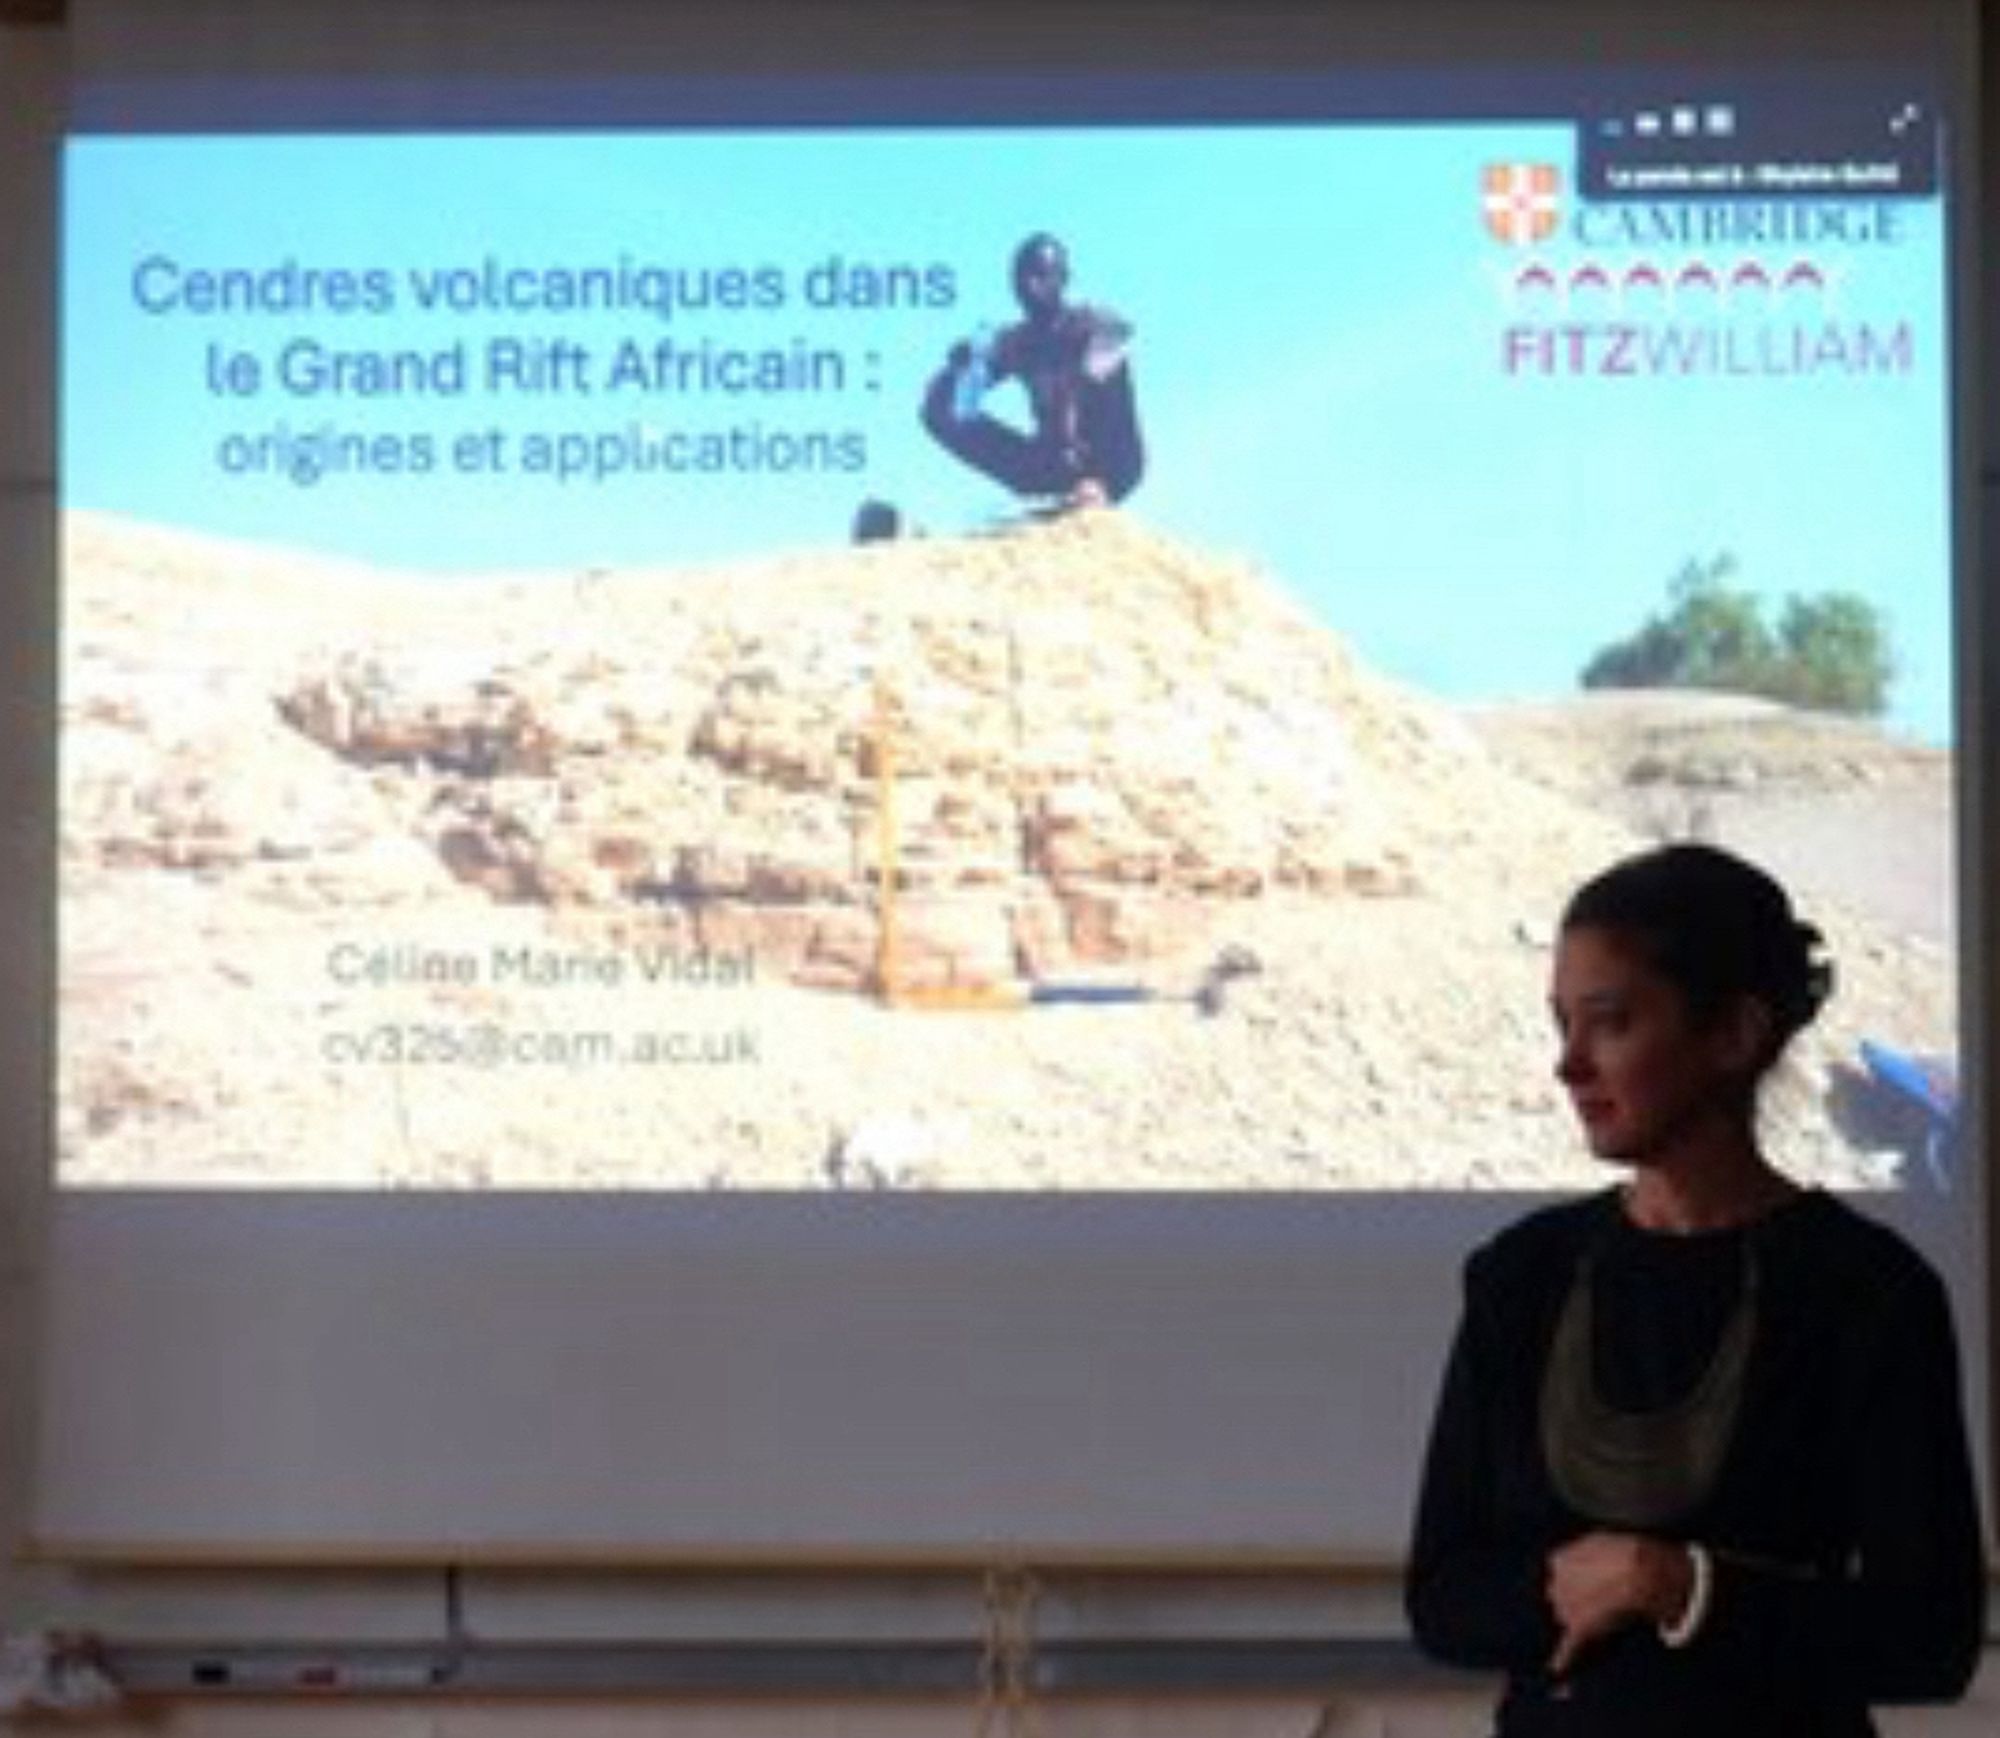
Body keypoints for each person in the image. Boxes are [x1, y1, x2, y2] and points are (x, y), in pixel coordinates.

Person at [1405, 842, 1986, 1737]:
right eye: (1560, 1024)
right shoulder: (1523, 1275)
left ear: (1733, 1035)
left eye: (1610, 1023)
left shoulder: (1866, 1290)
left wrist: (1681, 1587)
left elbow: (1927, 1640)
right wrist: (1566, 1587)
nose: (1570, 1065)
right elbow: (1443, 1600)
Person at [920, 232, 1144, 508]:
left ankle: (1096, 485)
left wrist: (1100, 478)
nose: (1030, 288)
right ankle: (1057, 488)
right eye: (1022, 280)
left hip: (1110, 464)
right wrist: (956, 370)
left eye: (1040, 277)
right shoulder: (1018, 341)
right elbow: (962, 396)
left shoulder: (1095, 326)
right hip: (1052, 466)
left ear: (1061, 279)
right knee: (942, 410)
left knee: (1103, 381)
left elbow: (1105, 406)